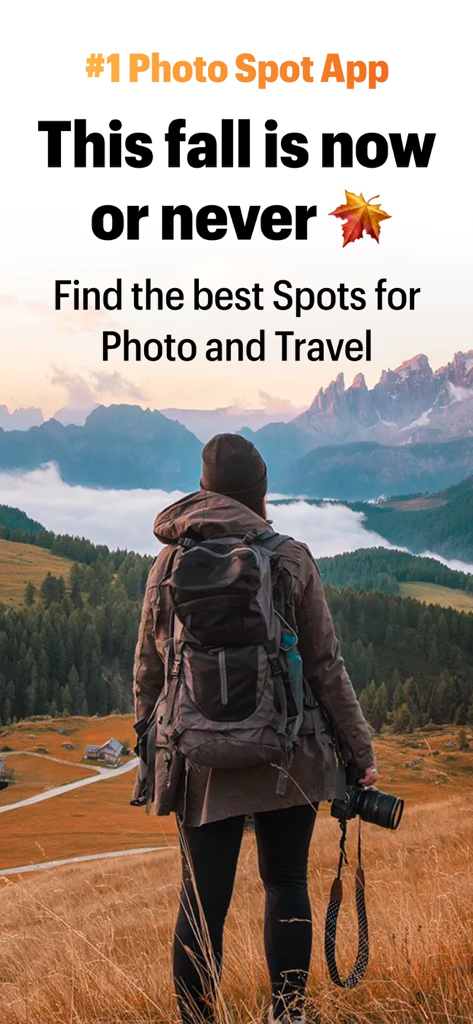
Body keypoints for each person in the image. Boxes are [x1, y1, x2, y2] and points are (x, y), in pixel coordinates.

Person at [132, 433, 378, 1024]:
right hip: (288, 751)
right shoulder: (291, 557)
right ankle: (287, 1014)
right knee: (287, 881)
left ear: (205, 490)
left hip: (200, 757)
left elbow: (149, 665)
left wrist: (152, 742)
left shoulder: (168, 563)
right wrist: (360, 751)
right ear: (260, 494)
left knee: (201, 900)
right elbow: (325, 666)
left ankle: (197, 1020)